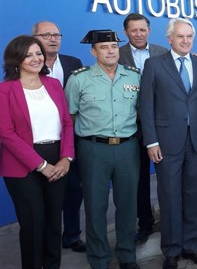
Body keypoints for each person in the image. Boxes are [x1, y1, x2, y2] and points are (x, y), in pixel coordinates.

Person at [139, 18, 197, 269]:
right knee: (169, 196)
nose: (185, 41)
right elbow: (146, 106)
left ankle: (192, 246)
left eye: (189, 36)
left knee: (194, 195)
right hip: (166, 142)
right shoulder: (154, 64)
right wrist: (151, 142)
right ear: (169, 38)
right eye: (180, 36)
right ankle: (171, 250)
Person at [65, 30, 141, 269]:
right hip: (93, 149)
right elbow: (69, 117)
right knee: (95, 205)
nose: (111, 51)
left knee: (128, 204)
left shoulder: (133, 76)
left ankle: (127, 255)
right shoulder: (79, 79)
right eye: (105, 47)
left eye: (114, 46)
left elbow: (142, 111)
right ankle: (99, 259)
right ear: (93, 51)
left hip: (128, 148)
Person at [0, 35, 74, 268]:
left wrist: (66, 158)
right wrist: (41, 166)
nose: (36, 58)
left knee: (54, 222)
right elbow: (6, 133)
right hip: (22, 164)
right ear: (16, 59)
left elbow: (67, 123)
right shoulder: (5, 90)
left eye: (38, 53)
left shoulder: (53, 84)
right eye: (29, 54)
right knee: (33, 224)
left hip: (58, 157)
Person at [32, 21, 86, 253]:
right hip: (39, 141)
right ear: (34, 38)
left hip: (71, 138)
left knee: (74, 190)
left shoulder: (74, 63)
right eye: (46, 35)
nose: (53, 39)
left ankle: (71, 236)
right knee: (41, 195)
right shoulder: (29, 65)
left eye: (56, 35)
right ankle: (44, 239)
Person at [118, 13, 169, 244]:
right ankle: (145, 224)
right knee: (139, 181)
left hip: (160, 126)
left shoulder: (162, 52)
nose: (138, 34)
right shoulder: (116, 55)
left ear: (149, 30)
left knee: (166, 175)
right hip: (130, 128)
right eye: (133, 30)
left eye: (142, 29)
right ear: (126, 32)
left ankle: (168, 221)